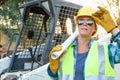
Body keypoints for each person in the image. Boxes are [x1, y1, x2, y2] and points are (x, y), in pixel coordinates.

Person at [47, 6, 120, 80]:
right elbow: (55, 77)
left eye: (89, 22)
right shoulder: (63, 51)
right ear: (77, 25)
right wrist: (53, 67)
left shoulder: (106, 50)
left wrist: (113, 29)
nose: (84, 24)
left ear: (95, 28)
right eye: (81, 21)